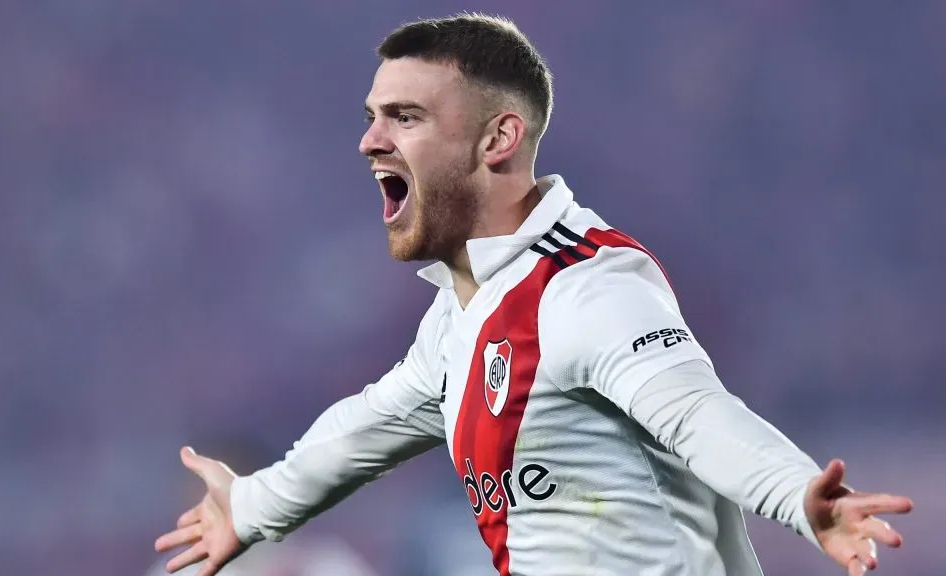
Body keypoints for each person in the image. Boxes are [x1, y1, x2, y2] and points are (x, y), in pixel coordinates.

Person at [154, 13, 913, 576]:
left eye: (406, 117)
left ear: (498, 139)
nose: (371, 140)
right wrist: (249, 507)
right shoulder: (461, 313)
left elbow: (696, 415)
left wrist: (798, 497)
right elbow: (364, 428)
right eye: (372, 118)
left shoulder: (587, 289)